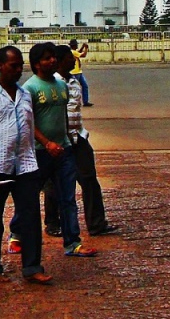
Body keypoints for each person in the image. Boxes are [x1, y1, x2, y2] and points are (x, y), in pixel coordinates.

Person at [0, 45, 51, 285]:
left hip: (25, 164)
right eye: (13, 66)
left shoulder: (25, 95)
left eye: (20, 66)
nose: (18, 70)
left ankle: (32, 266)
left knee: (30, 216)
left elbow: (29, 126)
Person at [10, 43, 97, 258]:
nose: (52, 61)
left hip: (64, 150)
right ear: (36, 64)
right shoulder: (29, 89)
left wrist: (67, 139)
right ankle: (16, 233)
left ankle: (72, 242)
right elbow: (27, 122)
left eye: (53, 58)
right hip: (39, 152)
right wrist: (46, 143)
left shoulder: (61, 85)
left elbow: (64, 116)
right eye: (47, 58)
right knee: (29, 196)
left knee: (67, 197)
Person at [44, 44, 118, 237]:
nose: (73, 60)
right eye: (69, 57)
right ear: (59, 61)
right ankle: (53, 223)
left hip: (79, 137)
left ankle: (96, 223)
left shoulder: (74, 82)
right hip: (59, 140)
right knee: (55, 183)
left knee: (89, 180)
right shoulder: (52, 84)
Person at [69, 39, 92, 106]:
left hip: (78, 71)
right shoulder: (73, 52)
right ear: (74, 45)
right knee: (76, 87)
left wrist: (82, 47)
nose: (77, 45)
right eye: (76, 44)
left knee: (84, 86)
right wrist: (86, 48)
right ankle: (77, 101)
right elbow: (83, 55)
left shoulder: (73, 52)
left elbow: (79, 52)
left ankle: (85, 101)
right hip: (75, 72)